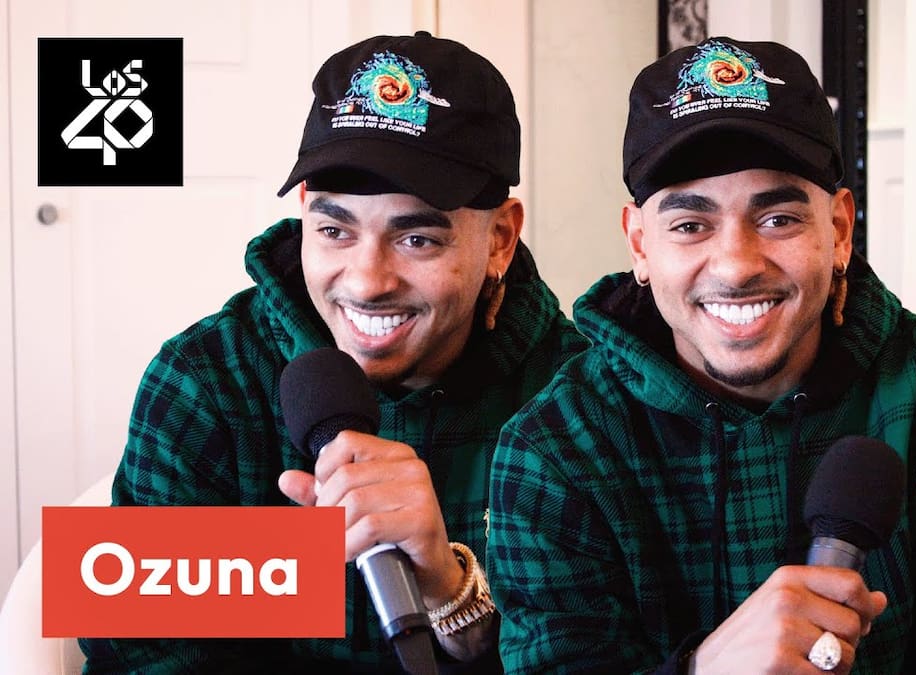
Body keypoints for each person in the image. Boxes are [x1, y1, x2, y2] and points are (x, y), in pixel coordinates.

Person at [487, 37, 916, 673]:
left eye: (778, 219)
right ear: (640, 244)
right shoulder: (554, 445)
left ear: (838, 230)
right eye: (690, 225)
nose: (736, 266)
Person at [79, 33, 587, 673]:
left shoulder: (578, 400)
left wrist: (452, 594)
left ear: (500, 239)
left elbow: (602, 655)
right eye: (334, 229)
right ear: (304, 216)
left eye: (418, 239)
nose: (367, 282)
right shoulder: (204, 381)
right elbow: (136, 653)